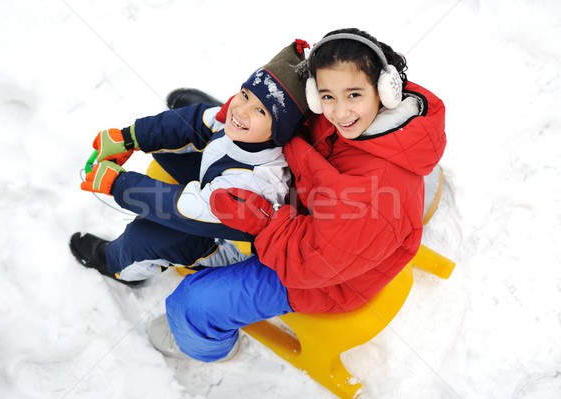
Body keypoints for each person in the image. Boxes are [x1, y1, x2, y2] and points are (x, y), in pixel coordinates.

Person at [147, 28, 447, 362]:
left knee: (193, 304)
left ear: (385, 89)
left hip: (322, 275)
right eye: (327, 96)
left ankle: (204, 344)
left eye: (353, 95)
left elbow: (311, 264)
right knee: (197, 146)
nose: (340, 111)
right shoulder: (350, 119)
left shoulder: (374, 197)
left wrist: (264, 220)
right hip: (307, 204)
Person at [69, 40, 310, 286]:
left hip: (226, 243)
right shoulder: (238, 122)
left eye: (260, 111)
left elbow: (188, 209)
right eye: (245, 95)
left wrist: (120, 184)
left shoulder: (257, 183)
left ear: (281, 130)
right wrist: (130, 138)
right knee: (168, 140)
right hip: (215, 190)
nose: (241, 110)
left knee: (144, 236)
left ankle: (116, 264)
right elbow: (195, 122)